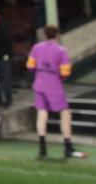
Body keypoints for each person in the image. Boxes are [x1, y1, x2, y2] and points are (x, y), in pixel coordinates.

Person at [27, 24, 86, 159]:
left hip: (39, 81)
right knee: (65, 114)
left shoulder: (36, 48)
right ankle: (67, 146)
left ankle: (42, 147)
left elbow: (30, 65)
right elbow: (65, 71)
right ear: (58, 35)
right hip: (53, 82)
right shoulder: (61, 50)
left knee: (42, 113)